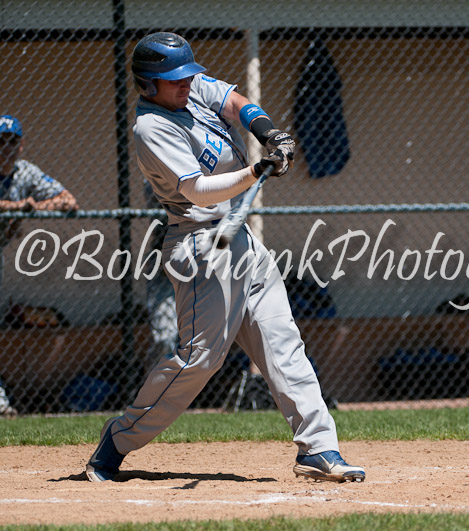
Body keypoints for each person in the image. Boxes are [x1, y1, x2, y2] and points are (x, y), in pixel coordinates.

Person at [85, 32, 365, 483]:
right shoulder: (151, 128)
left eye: (186, 75)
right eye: (173, 79)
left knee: (282, 340)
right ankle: (117, 441)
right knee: (200, 358)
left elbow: (235, 104)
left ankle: (318, 448)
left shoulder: (190, 89)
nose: (185, 84)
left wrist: (269, 133)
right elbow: (197, 190)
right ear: (148, 83)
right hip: (199, 244)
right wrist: (255, 170)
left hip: (240, 239)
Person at [0, 115, 79, 416]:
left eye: (12, 141)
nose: (6, 148)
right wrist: (15, 208)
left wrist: (33, 207)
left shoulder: (26, 172)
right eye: (0, 141)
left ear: (21, 145)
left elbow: (68, 200)